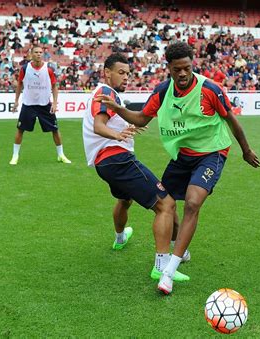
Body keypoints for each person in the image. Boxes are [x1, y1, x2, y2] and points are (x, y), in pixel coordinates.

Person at [96, 42, 260, 295]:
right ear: (169, 69)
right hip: (182, 156)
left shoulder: (210, 90)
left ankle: (169, 271)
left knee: (193, 203)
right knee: (167, 204)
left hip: (212, 153)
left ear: (192, 65)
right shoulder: (163, 91)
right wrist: (119, 109)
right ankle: (178, 248)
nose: (182, 74)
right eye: (176, 70)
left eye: (187, 68)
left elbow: (232, 121)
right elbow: (141, 119)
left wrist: (246, 150)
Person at [82, 53, 189, 282]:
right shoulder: (106, 92)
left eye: (128, 73)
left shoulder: (109, 95)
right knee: (166, 204)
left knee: (124, 200)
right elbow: (100, 126)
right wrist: (118, 135)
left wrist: (127, 126)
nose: (126, 77)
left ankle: (120, 238)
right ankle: (162, 266)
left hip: (105, 164)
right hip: (118, 160)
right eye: (121, 72)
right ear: (106, 72)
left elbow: (106, 122)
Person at [10, 45, 71, 165]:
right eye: (36, 52)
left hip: (44, 105)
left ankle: (61, 155)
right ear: (31, 54)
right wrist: (16, 101)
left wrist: (54, 103)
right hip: (29, 104)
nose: (38, 54)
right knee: (20, 129)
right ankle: (15, 155)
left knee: (55, 129)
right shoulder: (25, 68)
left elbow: (54, 86)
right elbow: (19, 85)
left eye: (40, 52)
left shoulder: (48, 69)